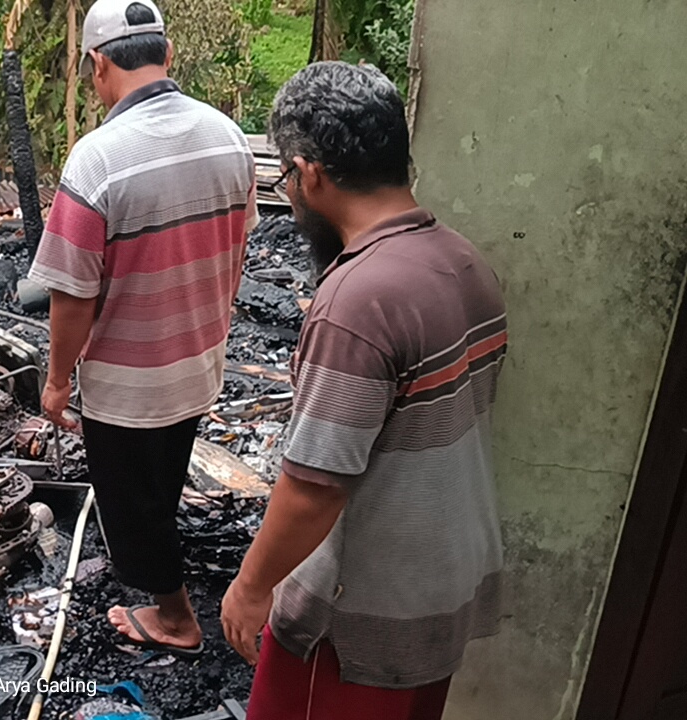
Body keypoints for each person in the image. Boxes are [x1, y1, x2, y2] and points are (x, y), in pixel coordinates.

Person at [220, 61, 507, 720]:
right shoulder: (465, 263)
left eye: (286, 179)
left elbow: (315, 487)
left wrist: (251, 586)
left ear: (310, 173)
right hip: (443, 589)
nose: (289, 196)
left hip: (356, 620)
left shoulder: (359, 300)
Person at [28, 0, 258, 656]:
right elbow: (237, 249)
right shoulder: (227, 136)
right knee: (164, 476)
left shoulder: (97, 159)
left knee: (132, 509)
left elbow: (71, 295)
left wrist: (57, 381)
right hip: (198, 362)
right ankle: (173, 575)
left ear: (98, 65)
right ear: (169, 53)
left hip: (128, 388)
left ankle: (176, 620)